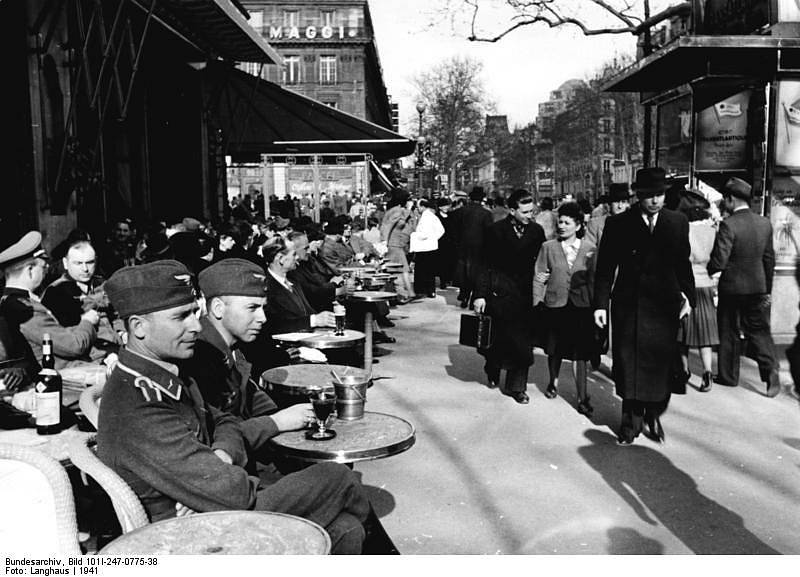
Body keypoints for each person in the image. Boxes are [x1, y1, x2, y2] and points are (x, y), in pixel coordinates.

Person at [97, 260, 371, 553]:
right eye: (181, 317)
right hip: (188, 538)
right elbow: (235, 494)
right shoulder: (139, 404)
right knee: (338, 477)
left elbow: (225, 422)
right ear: (138, 327)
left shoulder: (168, 373)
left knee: (346, 528)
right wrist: (216, 476)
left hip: (212, 507)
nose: (194, 325)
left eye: (193, 312)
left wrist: (221, 455)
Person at [593, 167, 695, 445]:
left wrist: (688, 298)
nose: (655, 201)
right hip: (629, 306)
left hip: (664, 306)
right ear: (638, 195)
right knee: (630, 365)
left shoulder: (677, 222)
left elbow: (682, 265)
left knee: (658, 365)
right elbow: (604, 269)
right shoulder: (619, 224)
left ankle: (653, 414)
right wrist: (600, 305)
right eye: (649, 195)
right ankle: (630, 423)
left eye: (660, 195)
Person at [188, 259, 311, 477]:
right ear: (218, 308)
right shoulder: (202, 358)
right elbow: (217, 433)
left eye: (263, 308)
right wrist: (278, 421)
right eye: (252, 308)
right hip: (235, 470)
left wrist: (288, 415)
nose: (262, 318)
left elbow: (251, 395)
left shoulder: (230, 348)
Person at [708, 177, 780, 397]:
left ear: (731, 200)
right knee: (758, 331)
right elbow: (769, 259)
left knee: (728, 330)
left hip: (732, 288)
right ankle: (770, 370)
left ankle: (728, 376)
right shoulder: (764, 223)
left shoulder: (729, 225)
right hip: (757, 287)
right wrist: (767, 288)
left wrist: (709, 270)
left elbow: (720, 260)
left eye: (725, 200)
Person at [473, 189, 545, 404]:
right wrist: (480, 295)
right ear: (512, 210)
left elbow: (542, 259)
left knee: (523, 345)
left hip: (525, 295)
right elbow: (484, 264)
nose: (529, 215)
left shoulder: (536, 231)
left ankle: (517, 387)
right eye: (525, 212)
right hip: (500, 293)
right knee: (497, 341)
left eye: (532, 211)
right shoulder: (496, 231)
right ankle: (492, 368)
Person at [0, 232, 102, 370]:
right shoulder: (25, 309)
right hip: (65, 375)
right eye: (43, 267)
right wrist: (87, 321)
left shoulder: (13, 301)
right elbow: (73, 346)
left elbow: (56, 334)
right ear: (30, 270)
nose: (46, 271)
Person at [534, 202, 597, 416]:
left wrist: (598, 306)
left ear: (578, 226)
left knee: (581, 353)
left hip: (581, 307)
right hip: (555, 305)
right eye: (559, 222)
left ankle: (582, 396)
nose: (561, 226)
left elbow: (594, 280)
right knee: (555, 349)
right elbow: (539, 275)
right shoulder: (548, 247)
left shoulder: (589, 250)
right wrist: (537, 301)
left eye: (567, 223)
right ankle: (553, 382)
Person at [41, 238, 121, 357]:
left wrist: (122, 332)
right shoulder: (56, 292)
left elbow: (117, 314)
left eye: (90, 262)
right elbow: (66, 338)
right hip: (88, 355)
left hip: (116, 346)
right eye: (78, 263)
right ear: (65, 263)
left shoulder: (103, 284)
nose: (85, 269)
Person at [676, 191, 719, 393]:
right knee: (705, 334)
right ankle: (708, 371)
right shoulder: (712, 231)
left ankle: (684, 371)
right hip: (707, 285)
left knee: (683, 333)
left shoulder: (684, 231)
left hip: (687, 287)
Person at [262, 240, 336, 335]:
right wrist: (314, 320)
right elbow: (274, 325)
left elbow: (307, 312)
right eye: (294, 254)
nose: (297, 257)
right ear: (281, 259)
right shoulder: (265, 287)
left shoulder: (293, 282)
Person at [452, 186, 493, 308]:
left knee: (464, 272)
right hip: (480, 248)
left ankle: (464, 295)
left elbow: (454, 230)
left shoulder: (461, 211)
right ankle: (474, 298)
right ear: (482, 199)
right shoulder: (486, 214)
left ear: (470, 198)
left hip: (463, 246)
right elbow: (489, 233)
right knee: (477, 273)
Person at [380, 188, 417, 303]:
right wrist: (384, 241)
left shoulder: (399, 210)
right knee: (398, 270)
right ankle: (404, 293)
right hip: (393, 244)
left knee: (399, 269)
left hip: (397, 244)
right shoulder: (397, 211)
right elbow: (387, 226)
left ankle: (404, 293)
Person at [410, 198, 445, 298]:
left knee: (421, 270)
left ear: (422, 206)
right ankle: (431, 290)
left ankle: (421, 290)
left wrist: (416, 236)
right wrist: (434, 238)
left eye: (418, 207)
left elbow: (423, 233)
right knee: (430, 270)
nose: (417, 209)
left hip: (423, 247)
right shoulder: (433, 217)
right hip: (432, 247)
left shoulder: (425, 217)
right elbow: (441, 230)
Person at [584, 183, 632, 247]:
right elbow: (588, 250)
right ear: (610, 203)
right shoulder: (595, 224)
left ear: (627, 204)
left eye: (623, 202)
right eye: (616, 202)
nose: (620, 206)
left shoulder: (632, 223)